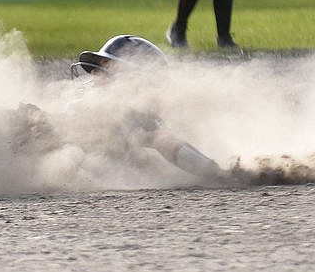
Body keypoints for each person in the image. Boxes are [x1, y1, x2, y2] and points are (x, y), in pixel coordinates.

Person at [12, 35, 229, 181]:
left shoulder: (137, 117)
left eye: (106, 68)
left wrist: (216, 173)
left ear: (137, 79)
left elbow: (166, 142)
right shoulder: (88, 103)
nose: (95, 75)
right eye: (96, 69)